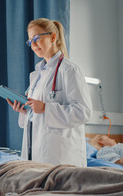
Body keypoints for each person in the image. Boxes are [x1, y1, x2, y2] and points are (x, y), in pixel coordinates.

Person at [7, 18, 92, 167]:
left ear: (53, 37)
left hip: (61, 155)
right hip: (36, 150)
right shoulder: (37, 74)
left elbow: (83, 112)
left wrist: (46, 108)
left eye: (37, 39)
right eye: (30, 41)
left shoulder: (69, 70)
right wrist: (24, 110)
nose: (33, 45)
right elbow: (37, 115)